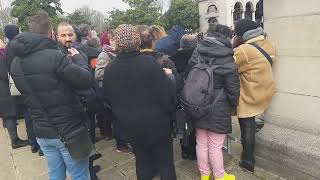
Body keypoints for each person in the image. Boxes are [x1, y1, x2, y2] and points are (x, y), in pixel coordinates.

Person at [9, 12, 93, 180]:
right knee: (80, 175)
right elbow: (85, 80)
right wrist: (79, 60)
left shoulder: (15, 62)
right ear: (51, 33)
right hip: (68, 130)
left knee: (55, 174)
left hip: (41, 131)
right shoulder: (54, 57)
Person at [103, 24, 177, 180]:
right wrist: (169, 79)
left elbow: (108, 101)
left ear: (118, 42)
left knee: (142, 163)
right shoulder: (150, 64)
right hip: (158, 125)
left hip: (131, 127)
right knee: (165, 164)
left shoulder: (110, 70)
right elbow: (166, 97)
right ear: (137, 41)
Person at [188, 24, 240, 180]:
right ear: (226, 37)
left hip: (198, 101)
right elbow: (233, 87)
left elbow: (190, 72)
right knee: (216, 145)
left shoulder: (198, 50)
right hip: (219, 103)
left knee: (201, 142)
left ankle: (204, 174)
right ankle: (219, 176)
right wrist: (233, 103)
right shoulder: (227, 55)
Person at [56, 22, 102, 180]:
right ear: (57, 36)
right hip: (73, 107)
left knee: (89, 139)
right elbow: (83, 78)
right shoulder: (58, 55)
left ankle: (90, 168)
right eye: (63, 35)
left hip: (87, 103)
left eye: (70, 34)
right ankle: (90, 174)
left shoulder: (78, 50)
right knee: (80, 146)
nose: (67, 38)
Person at [232, 19, 276, 173]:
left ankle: (247, 161)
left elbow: (231, 66)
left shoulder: (243, 49)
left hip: (250, 94)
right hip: (265, 90)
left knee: (247, 129)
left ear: (240, 34)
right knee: (254, 123)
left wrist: (234, 45)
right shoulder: (267, 43)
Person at [170, 34, 199, 160]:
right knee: (194, 124)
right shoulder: (198, 57)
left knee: (182, 124)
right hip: (194, 96)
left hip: (179, 97)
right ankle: (193, 150)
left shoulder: (171, 58)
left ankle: (185, 150)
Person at [1, 25, 30, 150]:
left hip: (4, 88)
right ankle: (15, 140)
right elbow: (3, 73)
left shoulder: (6, 49)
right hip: (4, 89)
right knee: (10, 114)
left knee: (9, 114)